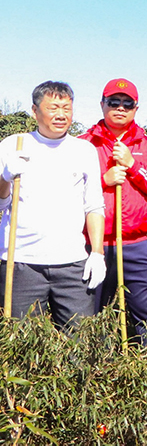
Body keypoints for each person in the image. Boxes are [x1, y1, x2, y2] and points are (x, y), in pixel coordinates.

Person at [0, 81, 106, 327]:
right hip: (21, 262)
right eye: (53, 108)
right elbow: (1, 203)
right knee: (21, 342)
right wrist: (5, 177)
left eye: (67, 108)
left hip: (72, 263)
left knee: (79, 343)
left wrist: (97, 254)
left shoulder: (84, 150)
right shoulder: (12, 145)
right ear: (35, 111)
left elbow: (94, 206)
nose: (61, 115)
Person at [81, 78, 147, 336]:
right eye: (114, 102)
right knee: (88, 320)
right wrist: (103, 181)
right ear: (102, 105)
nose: (120, 108)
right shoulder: (83, 144)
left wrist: (133, 165)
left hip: (136, 244)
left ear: (136, 108)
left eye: (127, 103)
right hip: (92, 246)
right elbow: (67, 191)